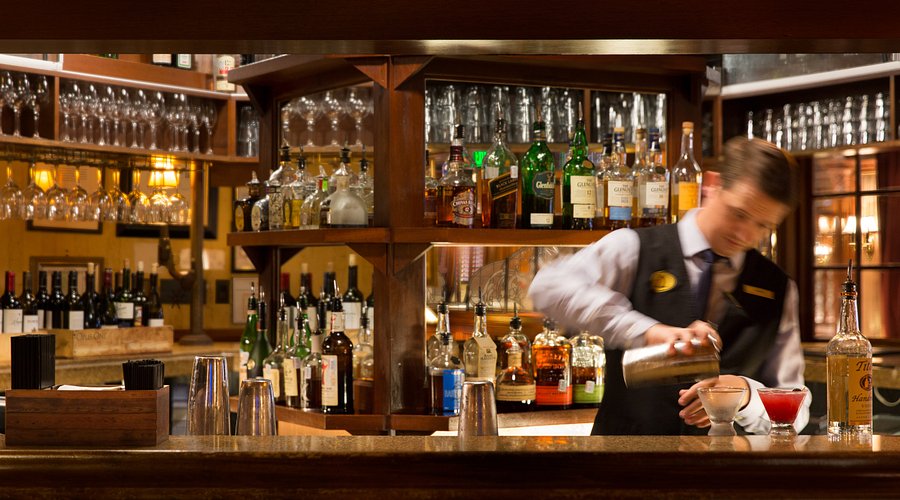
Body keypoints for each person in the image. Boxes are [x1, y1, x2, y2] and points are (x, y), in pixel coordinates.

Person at [528, 137, 810, 435]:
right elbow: (548, 287)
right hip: (624, 457)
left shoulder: (778, 288)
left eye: (763, 226)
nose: (745, 234)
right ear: (712, 185)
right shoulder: (634, 247)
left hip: (725, 463)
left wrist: (745, 395)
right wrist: (647, 331)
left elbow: (797, 411)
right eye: (738, 213)